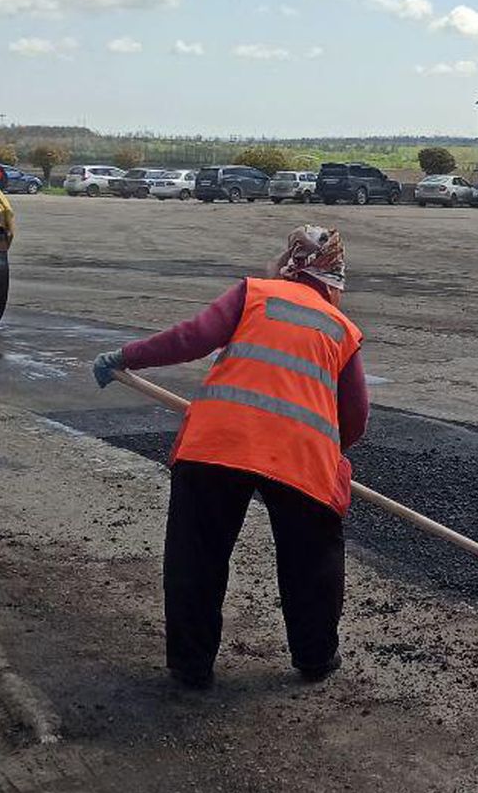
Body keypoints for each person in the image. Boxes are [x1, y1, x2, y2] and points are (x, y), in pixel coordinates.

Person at [92, 225, 369, 688]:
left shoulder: (254, 294)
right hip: (299, 457)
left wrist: (126, 355)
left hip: (217, 443)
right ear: (334, 281)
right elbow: (355, 415)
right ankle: (316, 657)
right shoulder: (342, 329)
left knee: (196, 554)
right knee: (312, 558)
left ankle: (190, 665)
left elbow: (192, 338)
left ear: (291, 264)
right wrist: (330, 453)